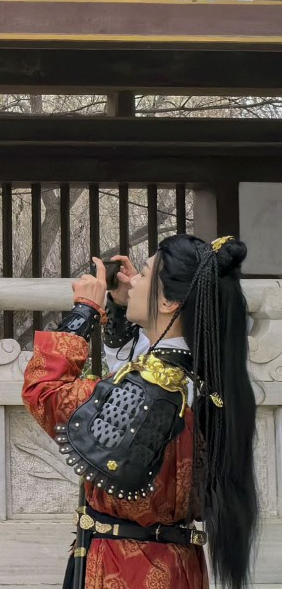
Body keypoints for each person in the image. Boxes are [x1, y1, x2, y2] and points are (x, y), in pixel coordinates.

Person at [23, 235, 257, 588]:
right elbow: (131, 369)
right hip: (176, 565)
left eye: (144, 274)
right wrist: (122, 306)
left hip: (128, 569)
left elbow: (43, 391)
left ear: (167, 301)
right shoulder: (198, 379)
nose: (132, 282)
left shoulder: (155, 387)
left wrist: (84, 311)